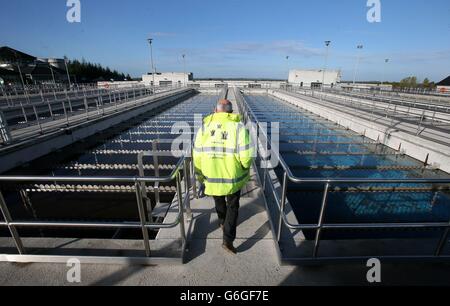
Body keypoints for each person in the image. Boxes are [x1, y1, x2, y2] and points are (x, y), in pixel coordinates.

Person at [193, 99, 253, 254]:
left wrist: (200, 174)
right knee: (233, 206)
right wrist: (245, 167)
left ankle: (221, 221)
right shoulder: (238, 127)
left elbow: (197, 154)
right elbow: (246, 155)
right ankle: (227, 239)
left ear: (215, 110)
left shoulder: (204, 127)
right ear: (230, 112)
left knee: (218, 198)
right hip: (232, 176)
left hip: (211, 174)